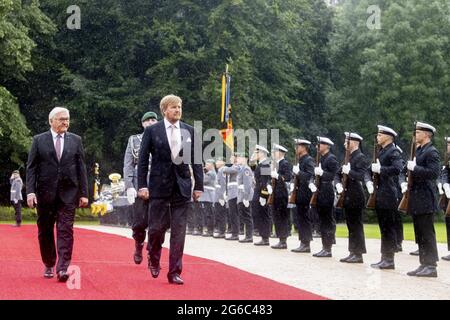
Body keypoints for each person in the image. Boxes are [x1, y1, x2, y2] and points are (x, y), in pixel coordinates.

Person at [137, 94, 203, 285]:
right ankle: (154, 255)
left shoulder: (190, 131)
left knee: (179, 231)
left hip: (182, 187)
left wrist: (198, 185)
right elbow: (142, 160)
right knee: (156, 229)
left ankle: (174, 271)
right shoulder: (152, 131)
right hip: (158, 186)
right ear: (164, 110)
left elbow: (197, 160)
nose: (178, 110)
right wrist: (142, 185)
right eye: (174, 107)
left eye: (180, 107)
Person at [26, 106, 88, 282]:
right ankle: (49, 262)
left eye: (67, 119)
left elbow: (81, 168)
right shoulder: (39, 140)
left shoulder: (76, 140)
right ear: (51, 121)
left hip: (69, 193)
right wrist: (30, 192)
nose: (65, 122)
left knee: (65, 230)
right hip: (45, 194)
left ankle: (63, 268)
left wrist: (84, 193)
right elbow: (31, 169)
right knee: (45, 230)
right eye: (61, 119)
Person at [404, 122, 440, 278]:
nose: (415, 135)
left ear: (427, 134)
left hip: (425, 196)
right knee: (420, 232)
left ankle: (431, 266)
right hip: (417, 196)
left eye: (418, 132)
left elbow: (433, 173)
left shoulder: (431, 152)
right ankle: (423, 263)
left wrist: (415, 168)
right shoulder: (419, 150)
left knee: (427, 232)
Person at [123, 111, 158, 264]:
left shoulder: (163, 139)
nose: (151, 122)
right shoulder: (134, 140)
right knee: (139, 223)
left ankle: (152, 252)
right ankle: (138, 244)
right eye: (148, 120)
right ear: (143, 124)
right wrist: (129, 185)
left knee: (156, 223)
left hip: (158, 184)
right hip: (140, 184)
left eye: (154, 120)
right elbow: (128, 164)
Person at [367, 125, 404, 270]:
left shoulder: (393, 151)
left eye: (380, 135)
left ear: (389, 137)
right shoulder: (382, 151)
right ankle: (385, 257)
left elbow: (398, 168)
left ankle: (389, 259)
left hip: (388, 193)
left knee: (388, 227)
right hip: (381, 192)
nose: (378, 137)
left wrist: (380, 169)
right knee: (384, 227)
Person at [336, 132, 368, 264]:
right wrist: (338, 183)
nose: (344, 143)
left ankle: (358, 253)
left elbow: (361, 176)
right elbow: (338, 173)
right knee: (351, 225)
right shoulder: (347, 157)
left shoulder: (360, 157)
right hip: (347, 195)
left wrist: (350, 172)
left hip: (356, 195)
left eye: (347, 141)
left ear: (355, 142)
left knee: (356, 226)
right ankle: (352, 251)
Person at [310, 137, 339, 258]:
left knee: (327, 220)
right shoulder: (321, 158)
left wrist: (322, 174)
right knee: (322, 220)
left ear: (327, 146)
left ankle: (328, 248)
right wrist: (312, 182)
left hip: (327, 191)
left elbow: (334, 175)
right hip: (320, 190)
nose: (318, 146)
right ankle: (324, 246)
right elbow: (314, 174)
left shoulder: (331, 158)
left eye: (320, 144)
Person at [291, 139, 315, 253]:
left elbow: (311, 176)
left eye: (297, 146)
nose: (296, 148)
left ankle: (306, 244)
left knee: (304, 218)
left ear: (303, 147)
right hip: (299, 192)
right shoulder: (300, 160)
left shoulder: (308, 160)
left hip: (305, 194)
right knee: (300, 218)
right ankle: (303, 242)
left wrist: (299, 173)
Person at [269, 144, 292, 249]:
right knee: (276, 216)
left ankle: (283, 240)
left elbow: (287, 178)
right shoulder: (275, 164)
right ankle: (280, 239)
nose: (273, 154)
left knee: (282, 217)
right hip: (275, 193)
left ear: (280, 153)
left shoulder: (285, 164)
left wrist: (277, 176)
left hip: (282, 194)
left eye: (275, 152)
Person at [252, 145, 272, 246]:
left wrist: (263, 196)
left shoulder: (265, 164)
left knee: (263, 215)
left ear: (262, 153)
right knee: (259, 214)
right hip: (258, 191)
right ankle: (263, 236)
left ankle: (265, 237)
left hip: (262, 193)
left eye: (256, 153)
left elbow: (265, 181)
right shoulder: (260, 164)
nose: (254, 154)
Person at [236, 152, 254, 243]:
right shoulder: (241, 169)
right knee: (244, 215)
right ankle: (248, 235)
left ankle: (249, 236)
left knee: (247, 216)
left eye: (239, 158)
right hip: (241, 194)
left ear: (245, 159)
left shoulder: (246, 169)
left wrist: (246, 198)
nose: (237, 159)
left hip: (245, 195)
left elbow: (247, 184)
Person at [222, 155, 240, 241]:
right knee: (232, 214)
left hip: (234, 192)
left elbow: (226, 170)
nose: (230, 159)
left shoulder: (237, 166)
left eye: (232, 157)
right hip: (231, 192)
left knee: (234, 214)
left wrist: (224, 167)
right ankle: (234, 232)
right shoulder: (233, 166)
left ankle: (235, 233)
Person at [198, 159, 216, 237]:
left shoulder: (211, 173)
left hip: (208, 196)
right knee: (207, 213)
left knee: (209, 214)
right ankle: (209, 230)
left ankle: (210, 230)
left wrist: (199, 172)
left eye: (207, 164)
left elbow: (203, 180)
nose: (205, 166)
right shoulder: (209, 173)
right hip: (207, 196)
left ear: (212, 165)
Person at [439, 137, 450, 261]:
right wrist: (445, 184)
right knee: (449, 222)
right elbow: (444, 173)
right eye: (448, 144)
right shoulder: (448, 159)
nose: (448, 147)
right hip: (448, 196)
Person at [213, 157, 227, 238]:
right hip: (218, 195)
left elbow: (223, 184)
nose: (216, 163)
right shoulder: (220, 170)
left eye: (218, 161)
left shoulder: (223, 170)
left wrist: (222, 197)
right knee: (218, 213)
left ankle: (222, 232)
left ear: (223, 162)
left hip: (220, 196)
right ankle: (220, 230)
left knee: (221, 214)